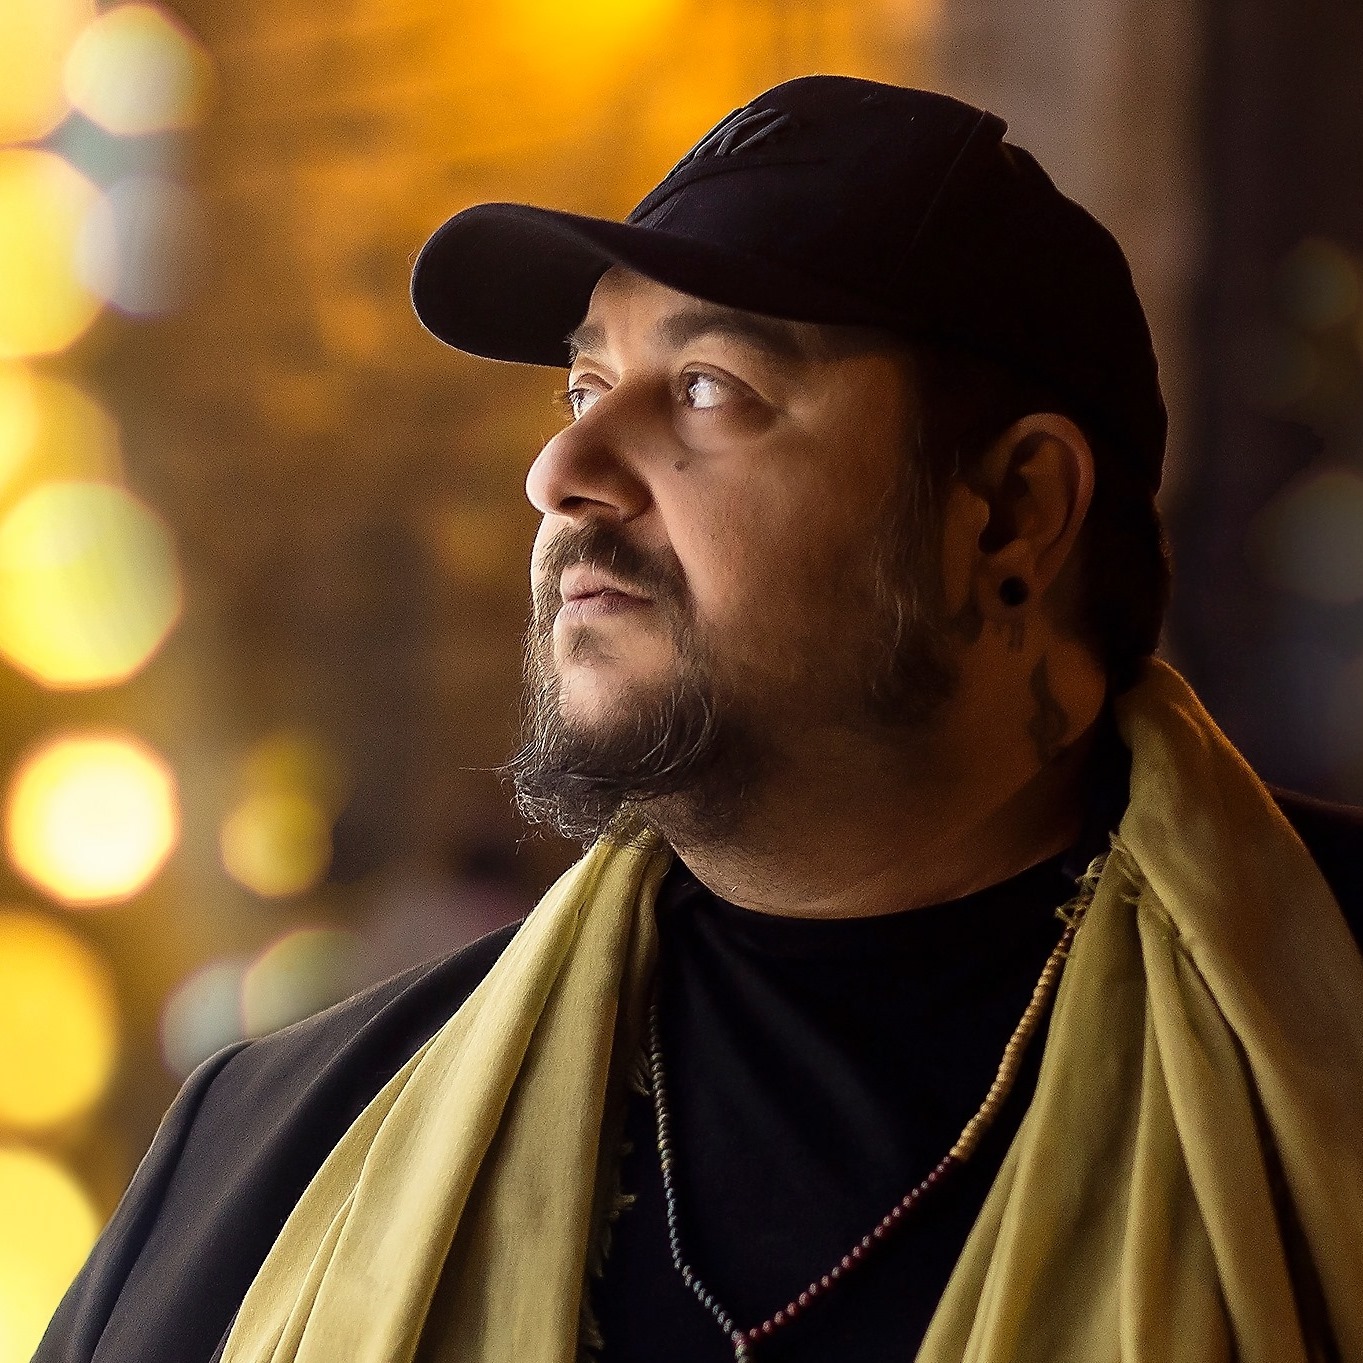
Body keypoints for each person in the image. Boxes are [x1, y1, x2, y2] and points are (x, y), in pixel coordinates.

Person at [38, 75, 1363, 1363]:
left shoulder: (1330, 1039)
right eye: (583, 388)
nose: (560, 470)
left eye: (709, 389)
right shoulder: (269, 1157)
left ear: (1012, 513)